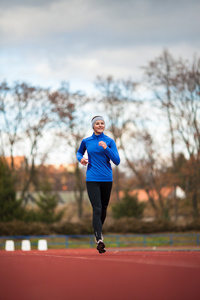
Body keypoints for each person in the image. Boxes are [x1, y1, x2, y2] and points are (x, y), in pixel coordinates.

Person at [76, 116, 120, 254]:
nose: (100, 125)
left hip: (107, 179)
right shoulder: (86, 141)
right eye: (97, 123)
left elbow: (117, 160)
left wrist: (106, 148)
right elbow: (79, 152)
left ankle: (99, 233)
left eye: (102, 123)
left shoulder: (109, 141)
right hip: (92, 179)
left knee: (104, 209)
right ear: (93, 126)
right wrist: (81, 159)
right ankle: (99, 239)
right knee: (97, 208)